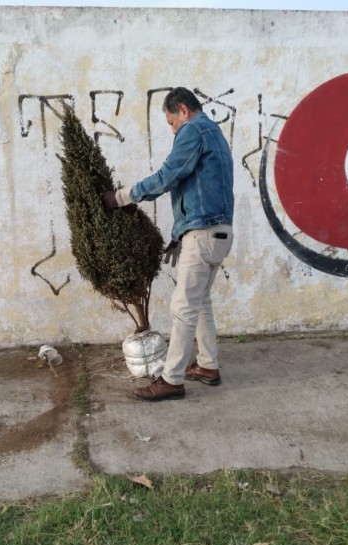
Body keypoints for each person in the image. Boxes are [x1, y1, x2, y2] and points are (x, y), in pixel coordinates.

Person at [101, 86, 235, 401]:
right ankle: (208, 365)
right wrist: (179, 236)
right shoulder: (215, 134)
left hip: (202, 233)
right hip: (219, 232)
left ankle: (171, 380)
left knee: (183, 307)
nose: (173, 129)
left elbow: (167, 176)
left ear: (183, 110)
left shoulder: (194, 130)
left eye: (171, 122)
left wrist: (120, 197)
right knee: (201, 302)